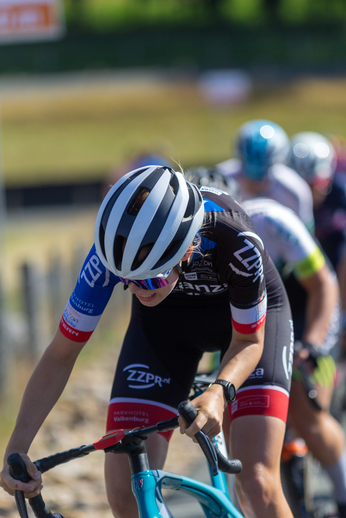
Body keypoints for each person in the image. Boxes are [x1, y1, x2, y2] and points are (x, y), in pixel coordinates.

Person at [0, 165, 295, 518]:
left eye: (150, 281)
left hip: (245, 332)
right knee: (125, 492)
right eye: (127, 281)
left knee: (257, 482)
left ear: (186, 250)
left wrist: (219, 392)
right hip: (163, 331)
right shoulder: (108, 256)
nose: (138, 290)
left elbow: (248, 339)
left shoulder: (238, 241)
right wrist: (16, 449)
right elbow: (62, 354)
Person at [242, 196, 346, 517]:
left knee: (304, 409)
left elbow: (325, 287)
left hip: (312, 310)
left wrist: (313, 343)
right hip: (267, 316)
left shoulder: (271, 220)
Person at [289, 131, 346, 352]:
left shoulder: (340, 194)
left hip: (332, 275)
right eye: (302, 185)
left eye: (316, 184)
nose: (311, 193)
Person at [217, 119, 315, 232]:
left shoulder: (295, 191)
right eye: (249, 173)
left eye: (262, 175)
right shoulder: (220, 179)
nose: (256, 182)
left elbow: (305, 236)